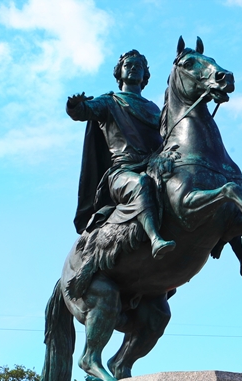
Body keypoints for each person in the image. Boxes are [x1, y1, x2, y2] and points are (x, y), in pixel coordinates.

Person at [67, 50, 175, 259]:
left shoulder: (155, 109)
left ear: (145, 76)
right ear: (119, 73)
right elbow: (83, 112)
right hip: (122, 173)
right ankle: (155, 239)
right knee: (141, 184)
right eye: (128, 65)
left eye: (138, 65)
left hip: (153, 168)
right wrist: (75, 105)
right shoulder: (109, 101)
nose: (134, 67)